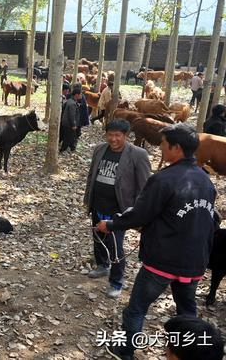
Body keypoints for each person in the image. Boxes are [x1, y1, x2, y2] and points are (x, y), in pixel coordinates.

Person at [97, 124, 217, 360]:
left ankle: (126, 350)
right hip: (194, 262)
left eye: (163, 144)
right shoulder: (205, 180)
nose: (160, 148)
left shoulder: (163, 179)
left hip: (162, 261)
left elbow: (140, 214)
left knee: (136, 309)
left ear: (177, 148)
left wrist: (110, 225)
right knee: (187, 313)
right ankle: (187, 354)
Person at [83, 119, 151, 299]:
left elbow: (144, 187)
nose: (113, 139)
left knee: (115, 247)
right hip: (98, 204)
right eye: (110, 135)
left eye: (117, 136)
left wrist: (138, 213)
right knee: (98, 238)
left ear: (126, 136)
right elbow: (92, 175)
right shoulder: (100, 149)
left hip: (119, 209)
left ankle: (116, 281)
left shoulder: (137, 154)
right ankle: (102, 265)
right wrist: (88, 199)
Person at [60, 88, 81, 153]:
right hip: (68, 124)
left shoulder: (70, 101)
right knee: (68, 137)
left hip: (66, 122)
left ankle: (72, 148)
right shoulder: (72, 104)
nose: (81, 96)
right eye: (80, 94)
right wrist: (73, 124)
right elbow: (72, 115)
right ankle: (62, 150)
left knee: (72, 136)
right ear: (77, 95)